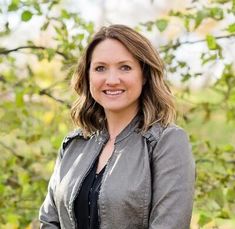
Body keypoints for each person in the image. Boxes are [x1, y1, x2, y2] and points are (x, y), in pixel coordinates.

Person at [39, 24, 195, 229]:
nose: (112, 80)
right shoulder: (73, 144)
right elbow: (49, 221)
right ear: (88, 76)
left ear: (145, 75)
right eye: (100, 68)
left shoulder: (167, 142)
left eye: (125, 67)